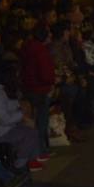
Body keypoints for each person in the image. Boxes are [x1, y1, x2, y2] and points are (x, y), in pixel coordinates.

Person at [0, 73, 43, 172]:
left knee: (28, 130)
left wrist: (18, 104)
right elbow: (4, 119)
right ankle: (20, 162)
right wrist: (21, 114)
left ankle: (28, 159)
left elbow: (5, 106)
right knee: (31, 133)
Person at [18, 24, 55, 159]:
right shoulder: (41, 51)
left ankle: (35, 151)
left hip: (28, 89)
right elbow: (45, 74)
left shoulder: (26, 48)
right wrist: (52, 81)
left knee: (32, 122)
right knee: (41, 122)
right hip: (40, 90)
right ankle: (41, 151)